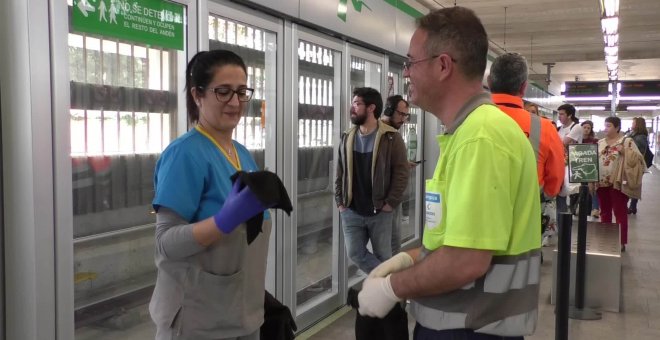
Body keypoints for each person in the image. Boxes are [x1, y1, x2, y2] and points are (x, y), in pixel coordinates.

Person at [357, 7, 541, 339]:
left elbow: (466, 260)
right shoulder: (469, 132)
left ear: (443, 66)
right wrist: (407, 259)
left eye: (411, 62)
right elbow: (453, 241)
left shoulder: (480, 138)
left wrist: (392, 289)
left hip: (469, 327)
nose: (407, 73)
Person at [150, 50, 273, 340]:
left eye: (242, 92)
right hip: (197, 322)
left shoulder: (242, 154)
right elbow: (165, 243)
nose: (235, 102)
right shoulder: (184, 155)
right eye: (223, 92)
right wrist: (222, 222)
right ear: (198, 95)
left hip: (242, 315)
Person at [335, 87, 409, 274]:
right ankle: (393, 283)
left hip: (379, 211)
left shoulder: (391, 137)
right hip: (351, 210)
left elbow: (401, 174)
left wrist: (390, 204)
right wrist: (340, 202)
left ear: (371, 108)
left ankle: (390, 299)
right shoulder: (347, 136)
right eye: (353, 103)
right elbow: (339, 172)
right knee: (355, 253)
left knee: (384, 255)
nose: (353, 108)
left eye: (357, 104)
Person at [488, 52, 565, 198]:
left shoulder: (467, 119)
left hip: (478, 208)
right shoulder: (545, 127)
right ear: (524, 87)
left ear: (489, 82)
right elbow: (555, 178)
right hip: (530, 206)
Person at [597, 116, 643, 252]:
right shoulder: (600, 142)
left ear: (617, 127)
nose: (606, 128)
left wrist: (625, 152)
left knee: (619, 211)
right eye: (605, 125)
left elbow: (638, 159)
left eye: (609, 126)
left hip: (618, 182)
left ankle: (620, 241)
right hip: (601, 182)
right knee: (604, 211)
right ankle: (606, 238)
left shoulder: (627, 141)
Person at [381, 95, 415, 255]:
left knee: (392, 244)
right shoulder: (385, 134)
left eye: (405, 116)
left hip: (388, 201)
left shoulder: (390, 134)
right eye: (401, 114)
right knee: (392, 246)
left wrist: (403, 164)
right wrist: (390, 203)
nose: (403, 119)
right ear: (388, 110)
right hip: (385, 201)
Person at [556, 103, 582, 216]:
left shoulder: (576, 127)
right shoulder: (560, 128)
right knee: (560, 193)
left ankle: (566, 220)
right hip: (559, 163)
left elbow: (562, 143)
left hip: (571, 164)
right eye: (558, 114)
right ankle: (561, 221)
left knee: (566, 191)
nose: (559, 116)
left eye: (562, 114)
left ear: (570, 115)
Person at [627, 117, 650, 214]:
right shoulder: (634, 134)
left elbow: (638, 152)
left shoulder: (640, 137)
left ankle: (633, 206)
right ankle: (632, 206)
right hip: (633, 164)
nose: (632, 124)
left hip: (636, 165)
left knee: (634, 184)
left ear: (638, 124)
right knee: (632, 184)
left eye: (633, 123)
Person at [581, 120, 600, 218]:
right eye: (584, 127)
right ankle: (579, 208)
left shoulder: (595, 141)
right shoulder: (577, 140)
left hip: (591, 167)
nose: (586, 129)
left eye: (589, 128)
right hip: (579, 167)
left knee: (593, 189)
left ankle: (596, 208)